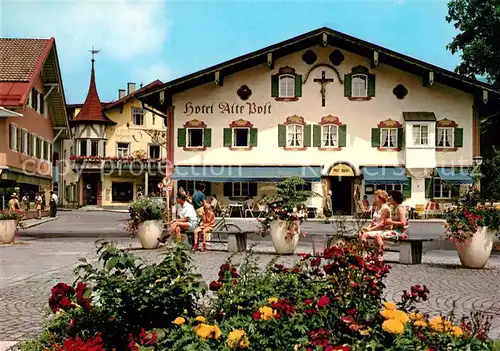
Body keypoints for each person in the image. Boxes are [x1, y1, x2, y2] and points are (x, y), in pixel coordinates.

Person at [358, 190, 391, 256]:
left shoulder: (385, 209)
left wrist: (370, 229)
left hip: (383, 230)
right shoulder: (378, 208)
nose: (374, 200)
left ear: (381, 198)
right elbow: (374, 221)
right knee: (360, 233)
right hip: (376, 229)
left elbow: (382, 223)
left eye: (375, 198)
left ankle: (365, 253)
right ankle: (366, 251)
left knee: (364, 235)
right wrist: (368, 227)